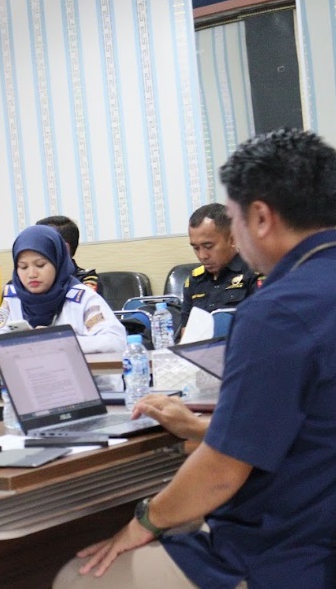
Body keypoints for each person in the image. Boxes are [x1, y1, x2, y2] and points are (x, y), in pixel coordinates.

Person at [54, 128, 336, 588]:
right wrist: (200, 428)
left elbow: (221, 473)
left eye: (234, 220)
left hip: (287, 552)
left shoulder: (276, 312)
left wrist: (144, 520)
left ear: (260, 217)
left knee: (78, 578)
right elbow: (304, 426)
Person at [0, 225, 125, 353]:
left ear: (57, 262)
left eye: (40, 265)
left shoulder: (82, 298)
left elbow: (115, 341)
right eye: (23, 267)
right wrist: (29, 342)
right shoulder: (14, 298)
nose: (31, 274)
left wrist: (59, 341)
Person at [182, 203, 261, 313]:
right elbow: (186, 324)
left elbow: (263, 319)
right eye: (196, 248)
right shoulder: (194, 282)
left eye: (208, 246)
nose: (202, 256)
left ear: (232, 240)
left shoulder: (253, 273)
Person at [37, 215, 101, 294]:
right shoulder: (32, 277)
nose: (35, 249)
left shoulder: (86, 279)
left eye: (42, 244)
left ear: (64, 249)